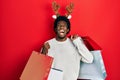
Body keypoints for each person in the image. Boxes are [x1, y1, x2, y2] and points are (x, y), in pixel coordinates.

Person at [41, 16, 93, 80]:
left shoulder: (75, 43)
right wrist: (43, 52)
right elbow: (40, 69)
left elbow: (89, 59)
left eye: (64, 25)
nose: (62, 27)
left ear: (68, 29)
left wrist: (78, 43)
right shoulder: (48, 44)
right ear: (55, 29)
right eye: (59, 25)